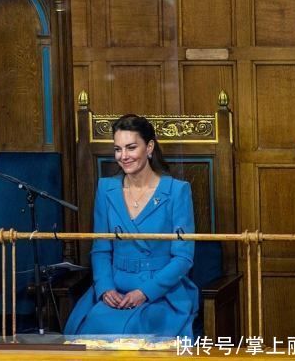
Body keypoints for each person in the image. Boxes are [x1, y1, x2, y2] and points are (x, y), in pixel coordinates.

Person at [64, 114, 198, 337]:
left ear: (149, 147)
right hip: (115, 288)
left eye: (131, 148)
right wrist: (106, 287)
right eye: (118, 149)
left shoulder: (177, 191)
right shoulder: (106, 189)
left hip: (161, 292)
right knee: (89, 332)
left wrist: (145, 292)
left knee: (131, 334)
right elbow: (100, 249)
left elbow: (184, 258)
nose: (123, 156)